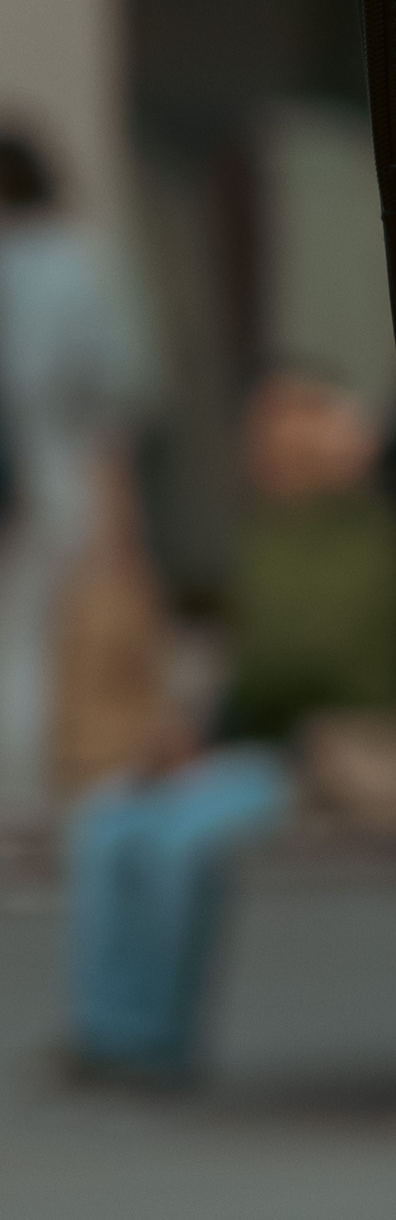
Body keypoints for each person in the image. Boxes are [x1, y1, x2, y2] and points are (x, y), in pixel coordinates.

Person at [57, 366, 396, 1085]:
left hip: (332, 755)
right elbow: (254, 671)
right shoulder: (266, 540)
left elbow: (317, 668)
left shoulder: (385, 532)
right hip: (258, 746)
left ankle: (156, 1038)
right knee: (105, 822)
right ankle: (108, 1028)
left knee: (176, 841)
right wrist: (196, 738)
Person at [0, 120, 157, 853]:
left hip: (33, 467)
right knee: (46, 639)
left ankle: (23, 797)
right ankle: (46, 796)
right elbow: (114, 394)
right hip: (55, 473)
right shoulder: (74, 265)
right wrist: (119, 511)